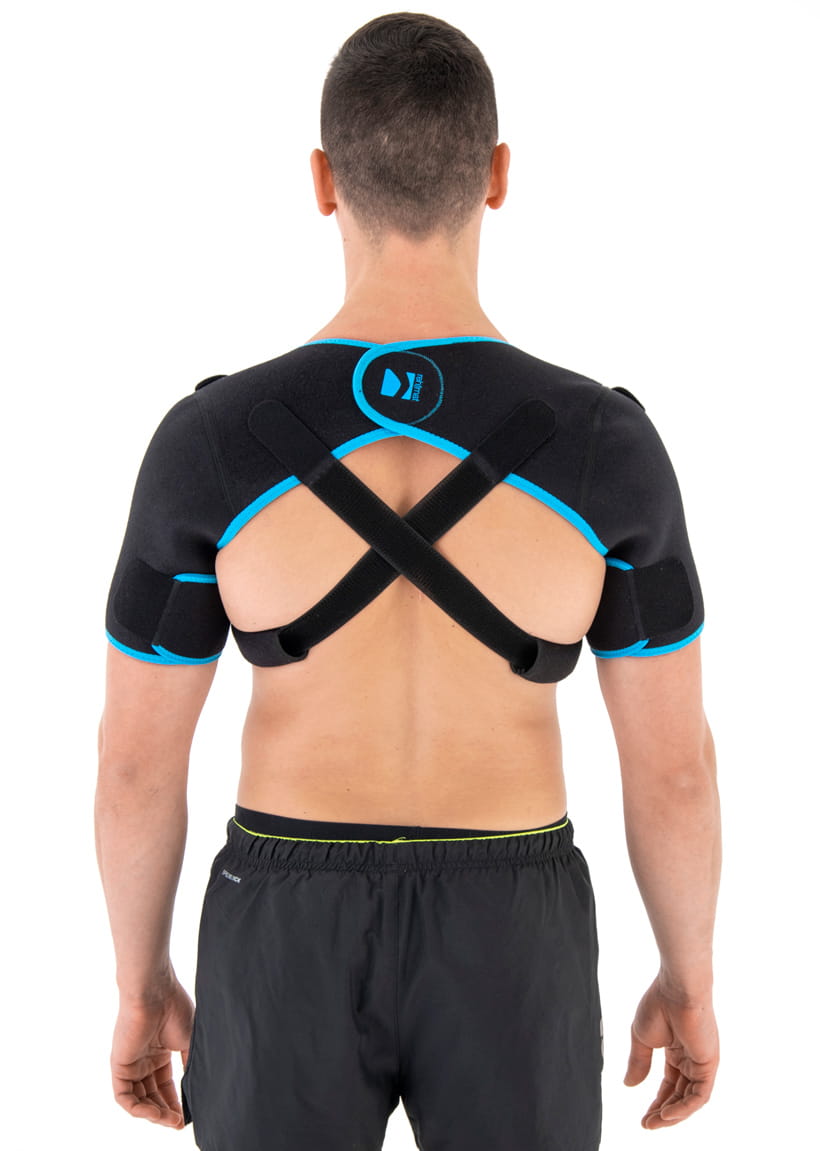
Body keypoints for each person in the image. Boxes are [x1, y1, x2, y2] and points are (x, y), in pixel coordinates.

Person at [95, 12, 721, 1151]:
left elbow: (136, 763)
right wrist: (690, 978)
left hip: (283, 917)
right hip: (512, 923)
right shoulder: (605, 446)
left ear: (323, 181)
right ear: (498, 175)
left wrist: (141, 984)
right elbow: (673, 770)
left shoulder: (210, 443)